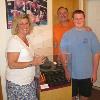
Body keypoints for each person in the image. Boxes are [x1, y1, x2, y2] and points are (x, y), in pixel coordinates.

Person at [60, 10, 100, 100]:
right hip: (71, 74)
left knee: (84, 97)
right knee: (71, 96)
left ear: (84, 19)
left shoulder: (91, 34)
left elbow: (96, 54)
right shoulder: (67, 35)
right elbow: (63, 54)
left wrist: (94, 72)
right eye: (76, 18)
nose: (78, 21)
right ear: (73, 20)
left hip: (87, 74)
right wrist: (66, 70)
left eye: (81, 18)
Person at [6, 14, 46, 100]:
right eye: (21, 24)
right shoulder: (14, 41)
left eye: (26, 23)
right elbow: (11, 64)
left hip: (29, 82)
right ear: (17, 26)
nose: (25, 26)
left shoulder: (27, 39)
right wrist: (33, 62)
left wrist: (38, 74)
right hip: (18, 84)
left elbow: (29, 58)